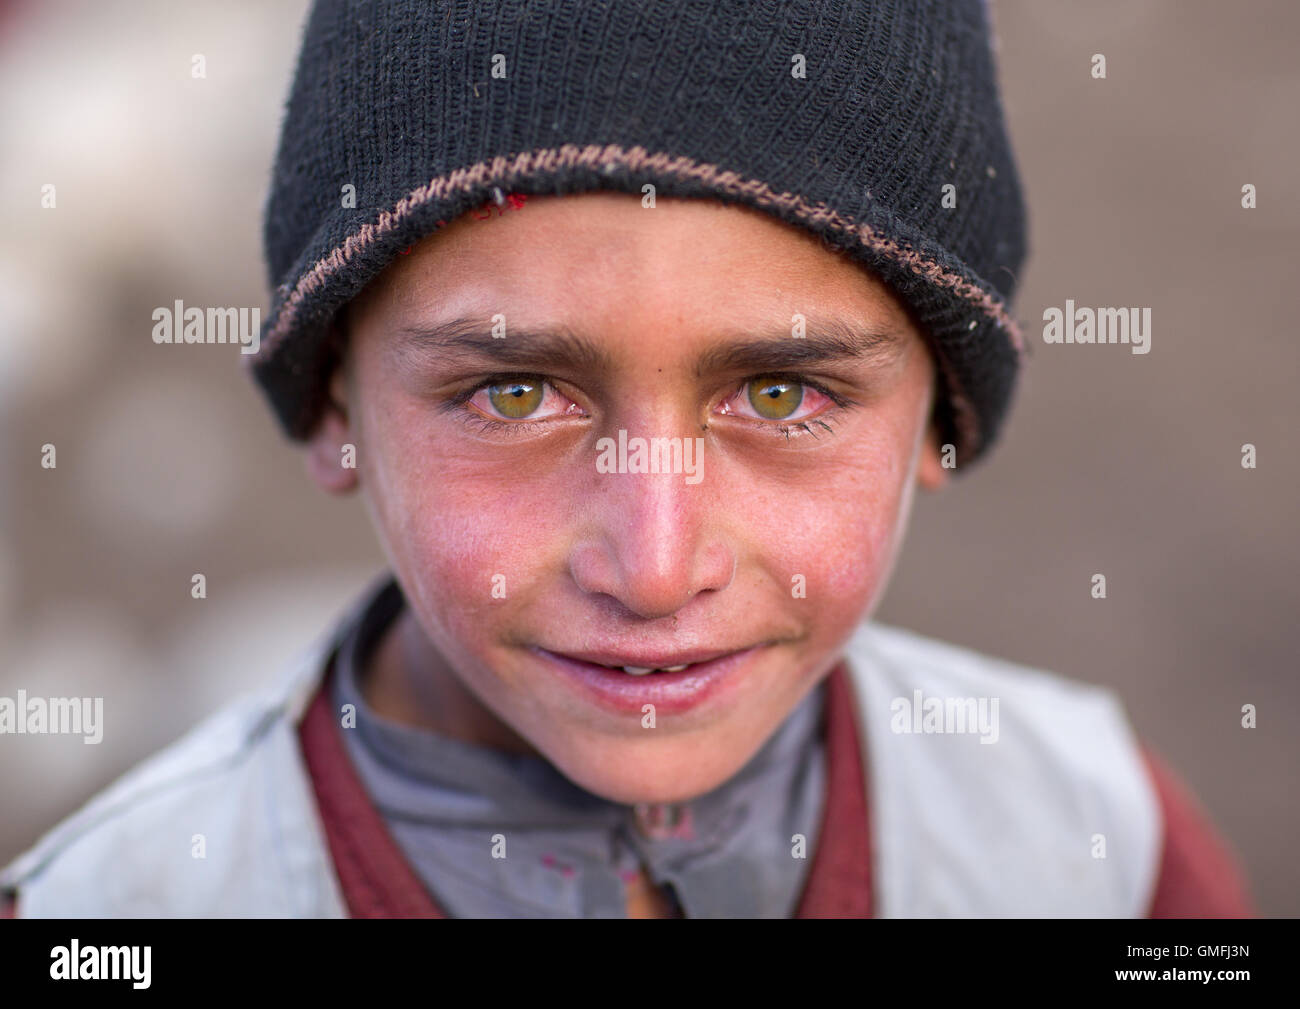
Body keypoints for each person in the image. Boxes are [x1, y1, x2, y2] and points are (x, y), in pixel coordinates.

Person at [0, 0, 1253, 918]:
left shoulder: (1101, 852)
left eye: (782, 391)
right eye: (511, 392)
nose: (653, 569)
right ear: (332, 402)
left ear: (941, 415)